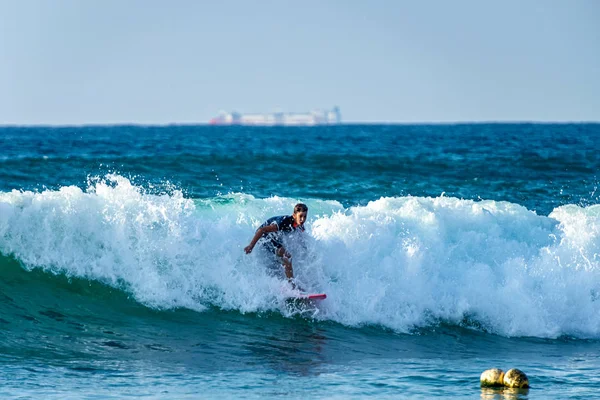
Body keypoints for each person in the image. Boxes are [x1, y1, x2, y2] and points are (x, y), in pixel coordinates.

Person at [244, 203, 308, 289]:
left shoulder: (300, 225)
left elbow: (301, 240)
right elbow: (262, 230)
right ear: (294, 215)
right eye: (300, 216)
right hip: (264, 237)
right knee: (286, 255)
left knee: (282, 260)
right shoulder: (284, 222)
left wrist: (306, 250)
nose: (303, 219)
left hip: (275, 238)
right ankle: (292, 286)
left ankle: (283, 282)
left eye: (305, 216)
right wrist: (251, 246)